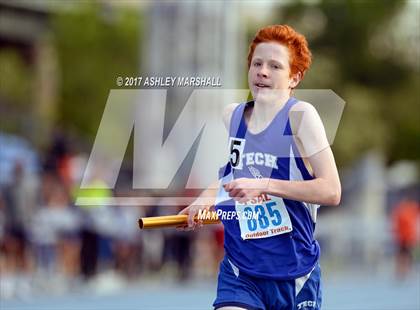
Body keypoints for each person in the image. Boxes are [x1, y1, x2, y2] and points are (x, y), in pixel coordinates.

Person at [179, 24, 341, 310]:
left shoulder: (301, 116)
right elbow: (231, 173)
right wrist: (203, 199)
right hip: (241, 270)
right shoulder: (233, 116)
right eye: (257, 63)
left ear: (294, 77)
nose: (262, 71)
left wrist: (264, 184)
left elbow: (331, 190)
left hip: (294, 273)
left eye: (275, 66)